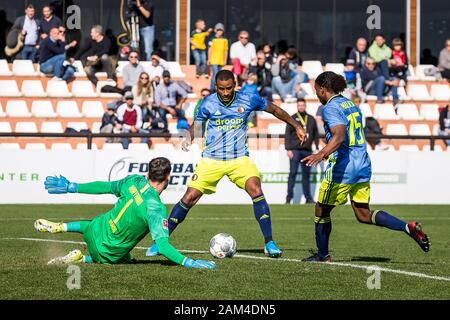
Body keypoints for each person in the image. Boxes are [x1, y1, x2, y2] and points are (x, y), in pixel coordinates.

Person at [146, 69, 308, 258]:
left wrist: (296, 125)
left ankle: (269, 242)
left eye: (229, 88)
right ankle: (160, 242)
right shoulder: (207, 103)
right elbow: (197, 127)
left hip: (239, 159)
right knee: (189, 197)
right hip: (212, 159)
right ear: (216, 87)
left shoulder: (248, 99)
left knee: (256, 189)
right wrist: (188, 137)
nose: (225, 93)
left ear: (235, 85)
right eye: (221, 89)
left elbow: (275, 109)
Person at [300, 71, 430, 262]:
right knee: (363, 213)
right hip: (362, 163)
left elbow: (339, 135)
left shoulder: (330, 107)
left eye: (316, 91)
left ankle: (322, 255)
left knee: (321, 209)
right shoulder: (350, 104)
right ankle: (406, 227)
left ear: (322, 89)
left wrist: (322, 153)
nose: (316, 95)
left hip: (343, 167)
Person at [33, 157, 216, 269]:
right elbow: (162, 247)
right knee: (122, 257)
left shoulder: (133, 180)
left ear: (149, 172)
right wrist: (188, 262)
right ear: (168, 177)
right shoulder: (156, 208)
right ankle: (83, 259)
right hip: (106, 255)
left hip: (92, 231)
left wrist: (73, 187)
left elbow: (105, 187)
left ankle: (62, 226)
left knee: (96, 223)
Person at [285, 98, 319, 204]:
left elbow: (316, 134)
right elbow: (287, 134)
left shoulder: (311, 119)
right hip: (295, 150)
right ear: (297, 106)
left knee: (306, 175)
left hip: (307, 151)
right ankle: (289, 197)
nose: (301, 107)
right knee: (293, 173)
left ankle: (308, 198)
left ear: (305, 106)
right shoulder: (293, 118)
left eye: (302, 105)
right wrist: (288, 149)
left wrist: (317, 147)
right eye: (299, 105)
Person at [207, 23, 228, 91]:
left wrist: (225, 60)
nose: (219, 32)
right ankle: (212, 89)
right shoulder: (212, 39)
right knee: (215, 74)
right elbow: (210, 49)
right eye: (218, 30)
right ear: (215, 30)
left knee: (219, 75)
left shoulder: (225, 40)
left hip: (220, 60)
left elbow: (225, 51)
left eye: (221, 30)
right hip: (214, 60)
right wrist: (209, 59)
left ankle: (217, 89)